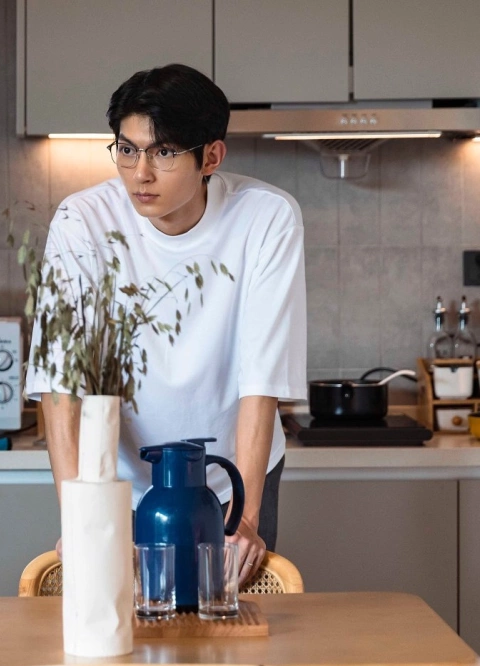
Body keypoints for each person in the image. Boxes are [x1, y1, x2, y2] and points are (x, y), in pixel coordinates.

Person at [26, 64, 307, 586]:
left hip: (233, 479)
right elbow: (60, 383)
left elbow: (261, 376)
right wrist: (80, 513)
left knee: (234, 624)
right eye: (127, 150)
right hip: (121, 484)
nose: (141, 174)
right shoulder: (82, 221)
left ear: (211, 157)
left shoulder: (266, 218)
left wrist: (245, 517)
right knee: (122, 624)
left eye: (164, 153)